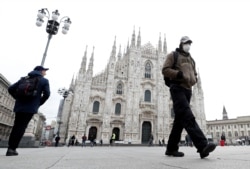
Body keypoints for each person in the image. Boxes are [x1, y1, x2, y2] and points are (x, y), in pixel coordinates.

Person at [162, 36, 216, 158]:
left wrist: (194, 79)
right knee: (187, 115)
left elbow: (194, 73)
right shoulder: (173, 55)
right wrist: (178, 74)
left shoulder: (191, 59)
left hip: (188, 90)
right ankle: (202, 145)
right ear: (181, 44)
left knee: (179, 121)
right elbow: (165, 70)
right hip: (177, 88)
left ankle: (171, 148)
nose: (188, 45)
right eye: (186, 43)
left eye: (190, 43)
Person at [6, 66, 50, 156]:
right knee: (22, 127)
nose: (45, 72)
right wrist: (38, 102)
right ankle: (12, 149)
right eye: (45, 71)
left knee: (16, 126)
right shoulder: (44, 80)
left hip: (19, 106)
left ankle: (10, 147)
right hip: (30, 107)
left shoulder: (24, 79)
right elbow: (47, 94)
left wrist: (17, 98)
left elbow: (10, 89)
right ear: (41, 71)